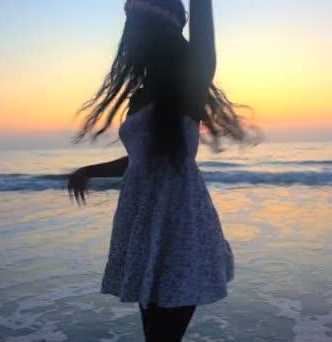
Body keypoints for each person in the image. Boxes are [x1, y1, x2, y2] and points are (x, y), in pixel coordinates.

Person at [68, 0, 260, 340]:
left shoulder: (189, 84)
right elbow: (142, 160)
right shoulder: (139, 96)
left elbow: (203, 35)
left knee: (162, 337)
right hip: (143, 223)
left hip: (179, 224)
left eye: (138, 26)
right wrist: (90, 170)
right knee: (155, 334)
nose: (130, 37)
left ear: (159, 33)